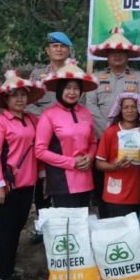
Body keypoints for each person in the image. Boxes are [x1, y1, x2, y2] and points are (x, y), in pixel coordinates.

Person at [0, 70, 44, 280]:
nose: (19, 99)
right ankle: (4, 275)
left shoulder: (32, 120)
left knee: (17, 227)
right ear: (5, 99)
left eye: (23, 94)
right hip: (6, 186)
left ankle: (9, 269)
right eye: (14, 95)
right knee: (8, 229)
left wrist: (42, 176)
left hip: (27, 184)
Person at [26, 31, 73, 241]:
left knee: (67, 177)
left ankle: (66, 223)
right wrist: (48, 121)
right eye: (55, 46)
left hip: (69, 134)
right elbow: (28, 102)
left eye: (62, 46)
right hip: (43, 133)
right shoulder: (37, 75)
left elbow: (82, 102)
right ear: (48, 50)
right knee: (43, 178)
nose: (59, 49)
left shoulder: (75, 73)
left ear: (69, 50)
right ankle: (42, 224)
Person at [35, 59, 98, 208]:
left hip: (86, 180)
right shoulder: (48, 115)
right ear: (60, 89)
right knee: (67, 222)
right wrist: (71, 162)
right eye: (68, 88)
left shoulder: (86, 113)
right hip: (61, 182)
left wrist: (90, 157)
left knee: (83, 220)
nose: (72, 92)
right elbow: (40, 151)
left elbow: (93, 142)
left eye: (76, 88)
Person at [84, 25, 140, 136]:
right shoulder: (95, 78)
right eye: (113, 52)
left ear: (127, 55)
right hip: (101, 134)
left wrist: (127, 130)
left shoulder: (139, 77)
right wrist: (108, 130)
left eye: (121, 51)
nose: (117, 55)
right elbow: (91, 106)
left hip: (130, 135)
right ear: (107, 55)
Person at [94, 92, 140, 218]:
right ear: (120, 110)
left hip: (138, 193)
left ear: (139, 110)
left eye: (133, 107)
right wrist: (115, 166)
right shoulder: (110, 132)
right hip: (115, 195)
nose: (130, 110)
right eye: (126, 107)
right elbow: (99, 164)